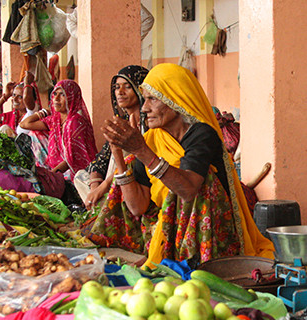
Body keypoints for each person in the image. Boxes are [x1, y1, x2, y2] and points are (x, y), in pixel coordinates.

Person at [101, 63, 275, 266]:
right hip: (172, 233)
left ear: (175, 99)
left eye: (152, 99)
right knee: (132, 165)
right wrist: (118, 155)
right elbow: (137, 207)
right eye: (144, 99)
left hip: (212, 237)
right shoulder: (153, 139)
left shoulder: (202, 134)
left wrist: (141, 151)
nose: (145, 108)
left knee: (202, 180)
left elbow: (189, 189)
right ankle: (167, 255)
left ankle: (196, 260)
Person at [74, 65, 149, 210]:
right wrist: (94, 188)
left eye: (127, 87)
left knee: (119, 156)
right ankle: (99, 205)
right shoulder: (121, 124)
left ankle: (103, 208)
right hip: (114, 181)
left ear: (140, 89)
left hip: (136, 182)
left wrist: (103, 187)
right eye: (116, 87)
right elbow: (99, 161)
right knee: (79, 176)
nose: (120, 92)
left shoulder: (149, 124)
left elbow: (133, 164)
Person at [20, 79, 98, 180]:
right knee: (34, 134)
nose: (56, 99)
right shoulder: (55, 120)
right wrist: (44, 112)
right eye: (55, 94)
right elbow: (25, 124)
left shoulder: (75, 122)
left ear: (72, 98)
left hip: (74, 171)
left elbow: (71, 159)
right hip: (56, 169)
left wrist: (51, 176)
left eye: (62, 95)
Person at [0, 72, 41, 136]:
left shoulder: (33, 113)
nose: (15, 99)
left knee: (5, 129)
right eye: (14, 95)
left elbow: (27, 98)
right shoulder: (13, 115)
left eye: (20, 97)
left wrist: (27, 83)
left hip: (25, 145)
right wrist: (6, 96)